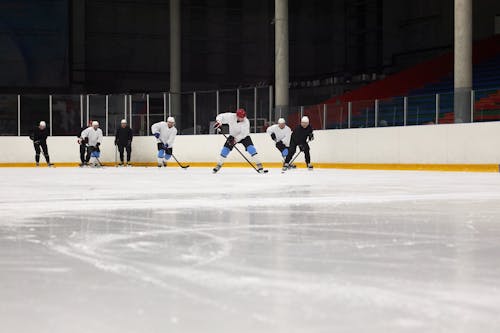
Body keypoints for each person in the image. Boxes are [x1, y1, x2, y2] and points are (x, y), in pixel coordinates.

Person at [212, 108, 264, 173]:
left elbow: (243, 134)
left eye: (243, 117)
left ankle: (259, 165)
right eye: (241, 117)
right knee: (225, 150)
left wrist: (235, 140)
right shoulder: (231, 116)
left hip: (244, 137)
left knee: (251, 149)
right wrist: (219, 122)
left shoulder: (246, 121)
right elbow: (220, 116)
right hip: (233, 135)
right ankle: (218, 165)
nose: (242, 119)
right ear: (237, 115)